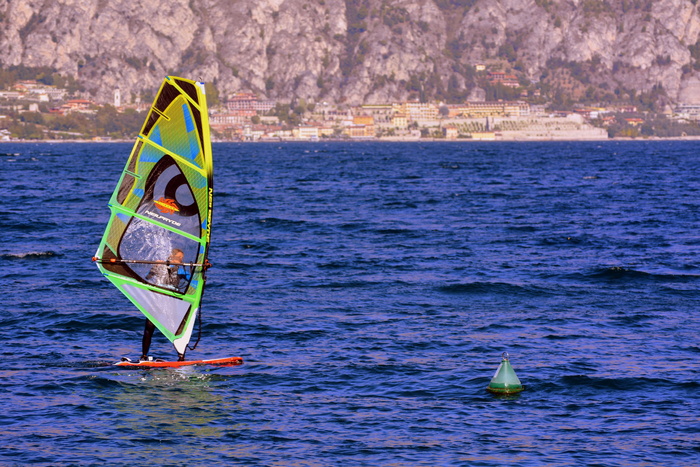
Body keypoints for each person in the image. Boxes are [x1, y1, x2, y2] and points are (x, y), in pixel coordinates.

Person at [141, 248, 191, 361]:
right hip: (157, 300)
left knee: (176, 328)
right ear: (171, 257)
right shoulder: (160, 267)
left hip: (171, 302)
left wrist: (202, 270)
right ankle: (144, 355)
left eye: (182, 259)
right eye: (179, 258)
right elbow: (147, 277)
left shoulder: (180, 271)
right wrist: (154, 267)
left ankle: (181, 356)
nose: (182, 261)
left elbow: (194, 282)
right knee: (149, 328)